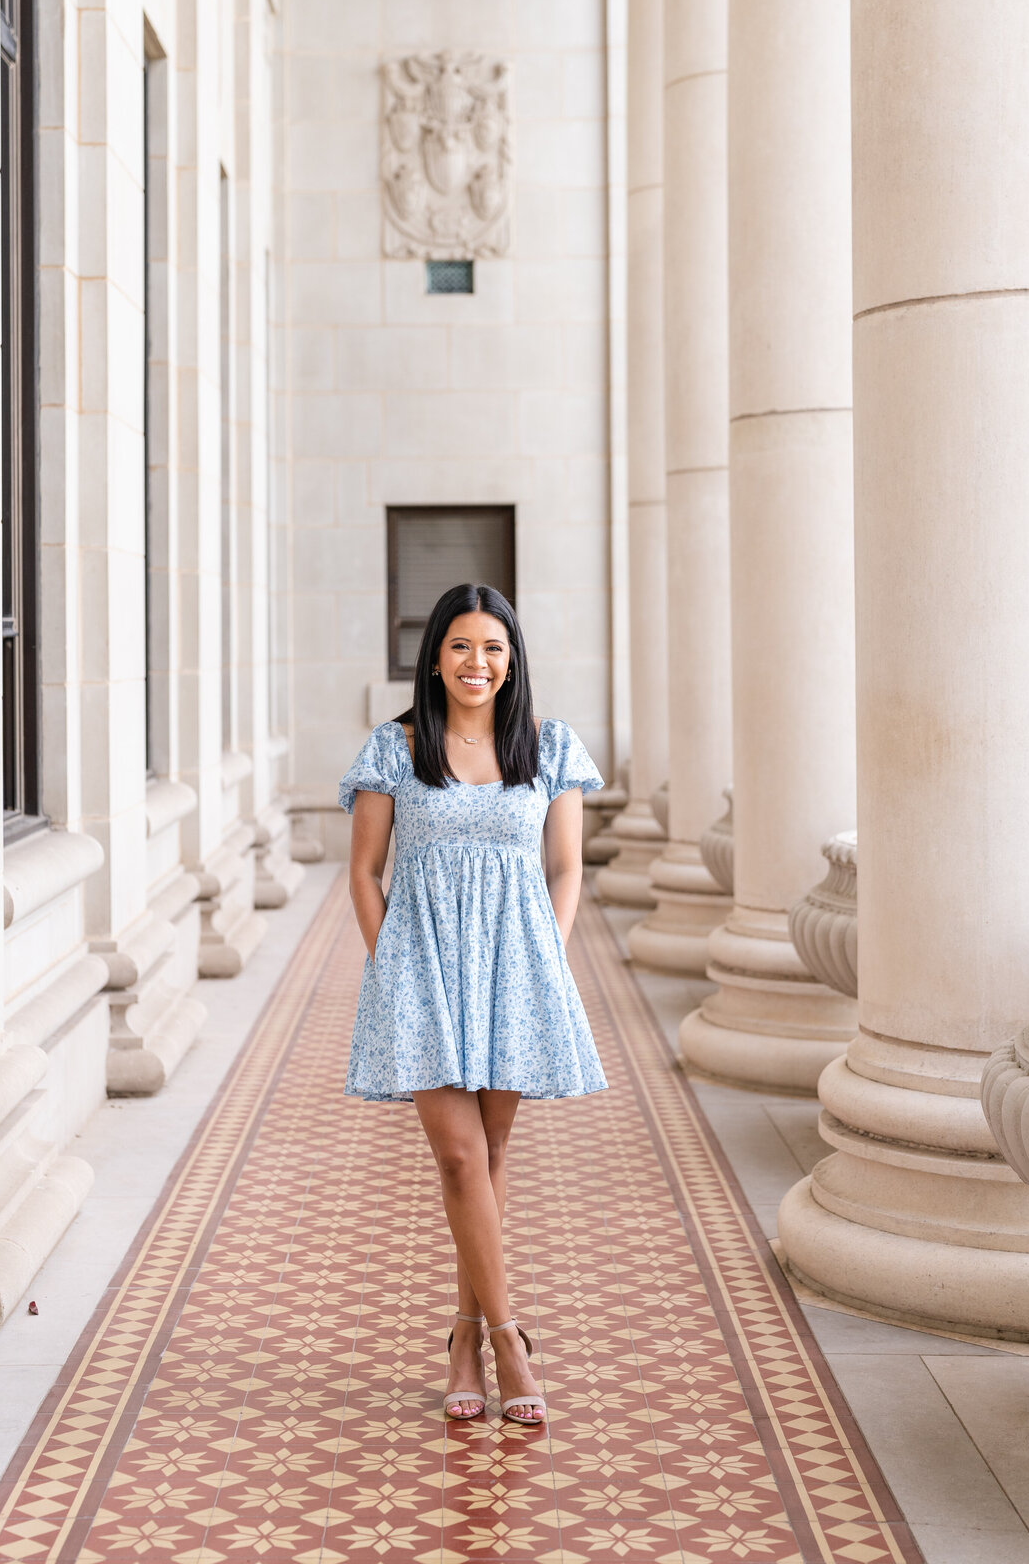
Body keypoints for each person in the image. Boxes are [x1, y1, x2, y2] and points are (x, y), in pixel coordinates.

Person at [339, 582, 608, 1426]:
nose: (477, 663)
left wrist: (546, 959)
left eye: (493, 648)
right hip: (423, 972)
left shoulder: (549, 746)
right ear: (436, 656)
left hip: (515, 970)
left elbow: (565, 870)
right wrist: (397, 969)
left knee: (490, 1160)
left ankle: (461, 1335)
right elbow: (362, 872)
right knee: (459, 1161)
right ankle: (507, 1341)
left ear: (512, 660)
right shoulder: (396, 749)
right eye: (461, 646)